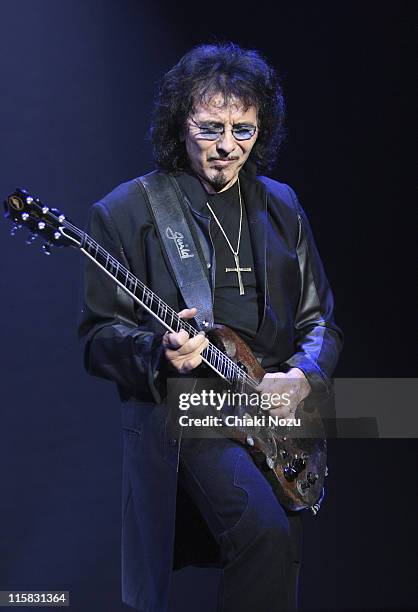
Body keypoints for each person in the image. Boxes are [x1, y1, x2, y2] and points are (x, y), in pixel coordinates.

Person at [78, 42, 343, 612]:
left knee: (282, 557)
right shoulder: (128, 210)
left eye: (243, 131)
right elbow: (97, 340)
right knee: (263, 532)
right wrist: (157, 353)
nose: (227, 147)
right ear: (181, 124)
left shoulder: (282, 205)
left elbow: (319, 320)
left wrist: (302, 376)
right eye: (210, 128)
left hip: (273, 416)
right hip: (193, 409)